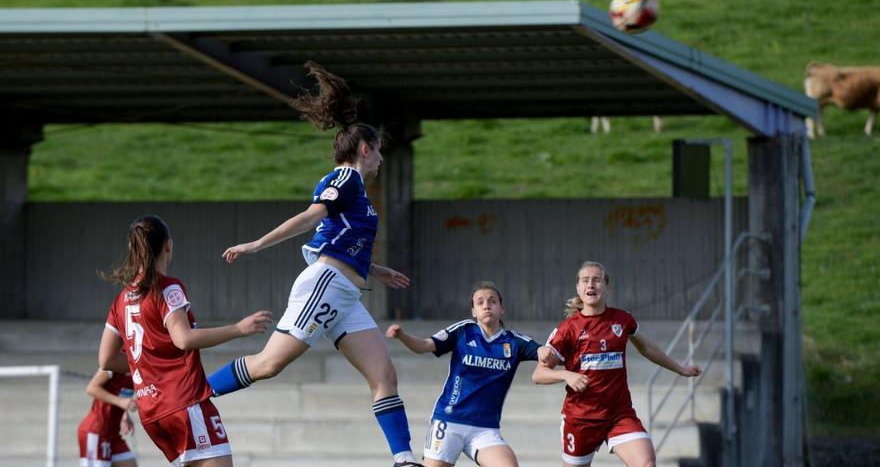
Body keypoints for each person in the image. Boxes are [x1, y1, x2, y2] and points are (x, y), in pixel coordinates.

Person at [206, 61, 422, 467]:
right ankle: (191, 393)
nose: (380, 159)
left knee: (384, 376)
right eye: (378, 151)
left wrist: (374, 269)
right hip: (326, 286)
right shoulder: (345, 180)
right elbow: (310, 218)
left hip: (346, 292)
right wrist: (257, 244)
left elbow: (336, 237)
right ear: (365, 148)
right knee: (268, 365)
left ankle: (405, 459)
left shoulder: (353, 186)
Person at [98, 214, 272, 467]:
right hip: (183, 403)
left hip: (152, 413)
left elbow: (106, 360)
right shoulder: (167, 287)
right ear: (168, 244)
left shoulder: (121, 300)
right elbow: (184, 339)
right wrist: (238, 328)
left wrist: (149, 366)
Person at [532, 261, 702, 467]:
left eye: (597, 280)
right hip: (581, 419)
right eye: (585, 280)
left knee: (646, 463)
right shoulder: (568, 329)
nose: (591, 285)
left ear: (607, 287)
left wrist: (681, 369)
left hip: (619, 414)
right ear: (578, 288)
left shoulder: (623, 319)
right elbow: (538, 374)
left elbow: (646, 348)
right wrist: (566, 375)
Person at [386, 281, 548, 467]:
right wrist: (402, 336)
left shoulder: (514, 341)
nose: (486, 305)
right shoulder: (464, 330)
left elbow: (543, 352)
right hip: (449, 421)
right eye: (480, 302)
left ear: (502, 308)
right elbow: (424, 345)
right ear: (473, 311)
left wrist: (544, 351)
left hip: (485, 429)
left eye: (492, 301)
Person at [77, 368, 137, 467]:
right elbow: (91, 388)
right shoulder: (113, 362)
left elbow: (120, 392)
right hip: (96, 432)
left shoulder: (135, 365)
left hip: (113, 434)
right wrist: (120, 402)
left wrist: (125, 414)